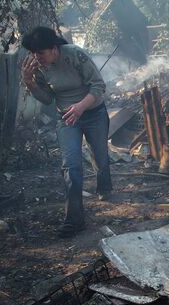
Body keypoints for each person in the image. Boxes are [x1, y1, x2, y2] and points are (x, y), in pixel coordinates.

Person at [20, 26, 112, 237]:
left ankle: (104, 185)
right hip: (67, 118)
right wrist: (29, 82)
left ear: (54, 49)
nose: (36, 58)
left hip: (93, 113)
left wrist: (81, 106)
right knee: (71, 166)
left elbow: (98, 86)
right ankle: (74, 220)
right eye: (33, 53)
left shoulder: (74, 54)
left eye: (40, 53)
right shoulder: (39, 68)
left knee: (100, 154)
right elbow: (47, 99)